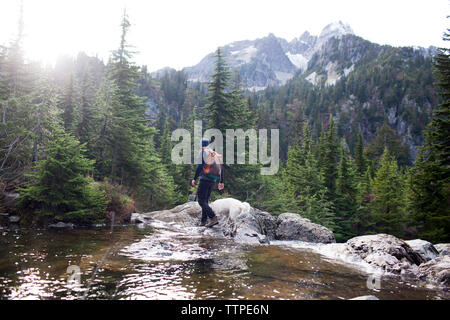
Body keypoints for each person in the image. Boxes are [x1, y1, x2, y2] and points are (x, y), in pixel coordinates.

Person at [191, 139, 224, 227]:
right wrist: (221, 181)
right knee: (205, 201)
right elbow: (221, 168)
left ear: (202, 145)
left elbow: (199, 166)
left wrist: (194, 178)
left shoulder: (203, 152)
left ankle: (213, 218)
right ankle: (203, 221)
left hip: (204, 179)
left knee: (201, 201)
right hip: (213, 180)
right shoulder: (215, 154)